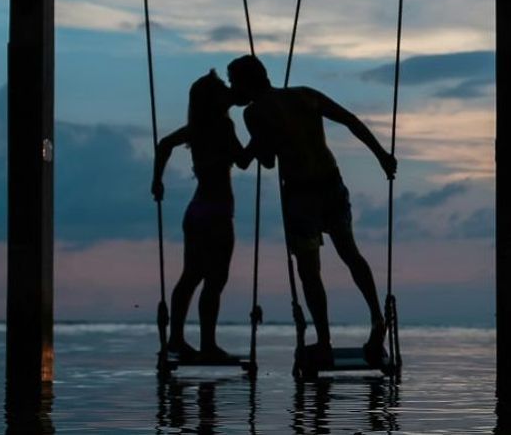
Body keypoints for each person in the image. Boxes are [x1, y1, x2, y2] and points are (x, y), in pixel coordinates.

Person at [226, 54, 397, 364]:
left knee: (309, 272)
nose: (230, 88)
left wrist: (253, 140)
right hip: (332, 184)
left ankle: (324, 340)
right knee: (350, 254)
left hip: (302, 196)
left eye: (233, 82)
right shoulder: (305, 94)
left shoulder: (253, 114)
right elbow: (350, 120)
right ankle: (376, 318)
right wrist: (382, 155)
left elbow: (267, 161)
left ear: (244, 85)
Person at [152, 70, 253, 360]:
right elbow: (244, 161)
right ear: (213, 99)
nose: (227, 93)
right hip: (217, 212)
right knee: (215, 279)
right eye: (223, 89)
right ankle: (207, 344)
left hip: (197, 211)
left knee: (192, 276)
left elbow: (164, 145)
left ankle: (176, 339)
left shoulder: (197, 127)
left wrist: (157, 180)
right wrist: (261, 139)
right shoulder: (221, 125)